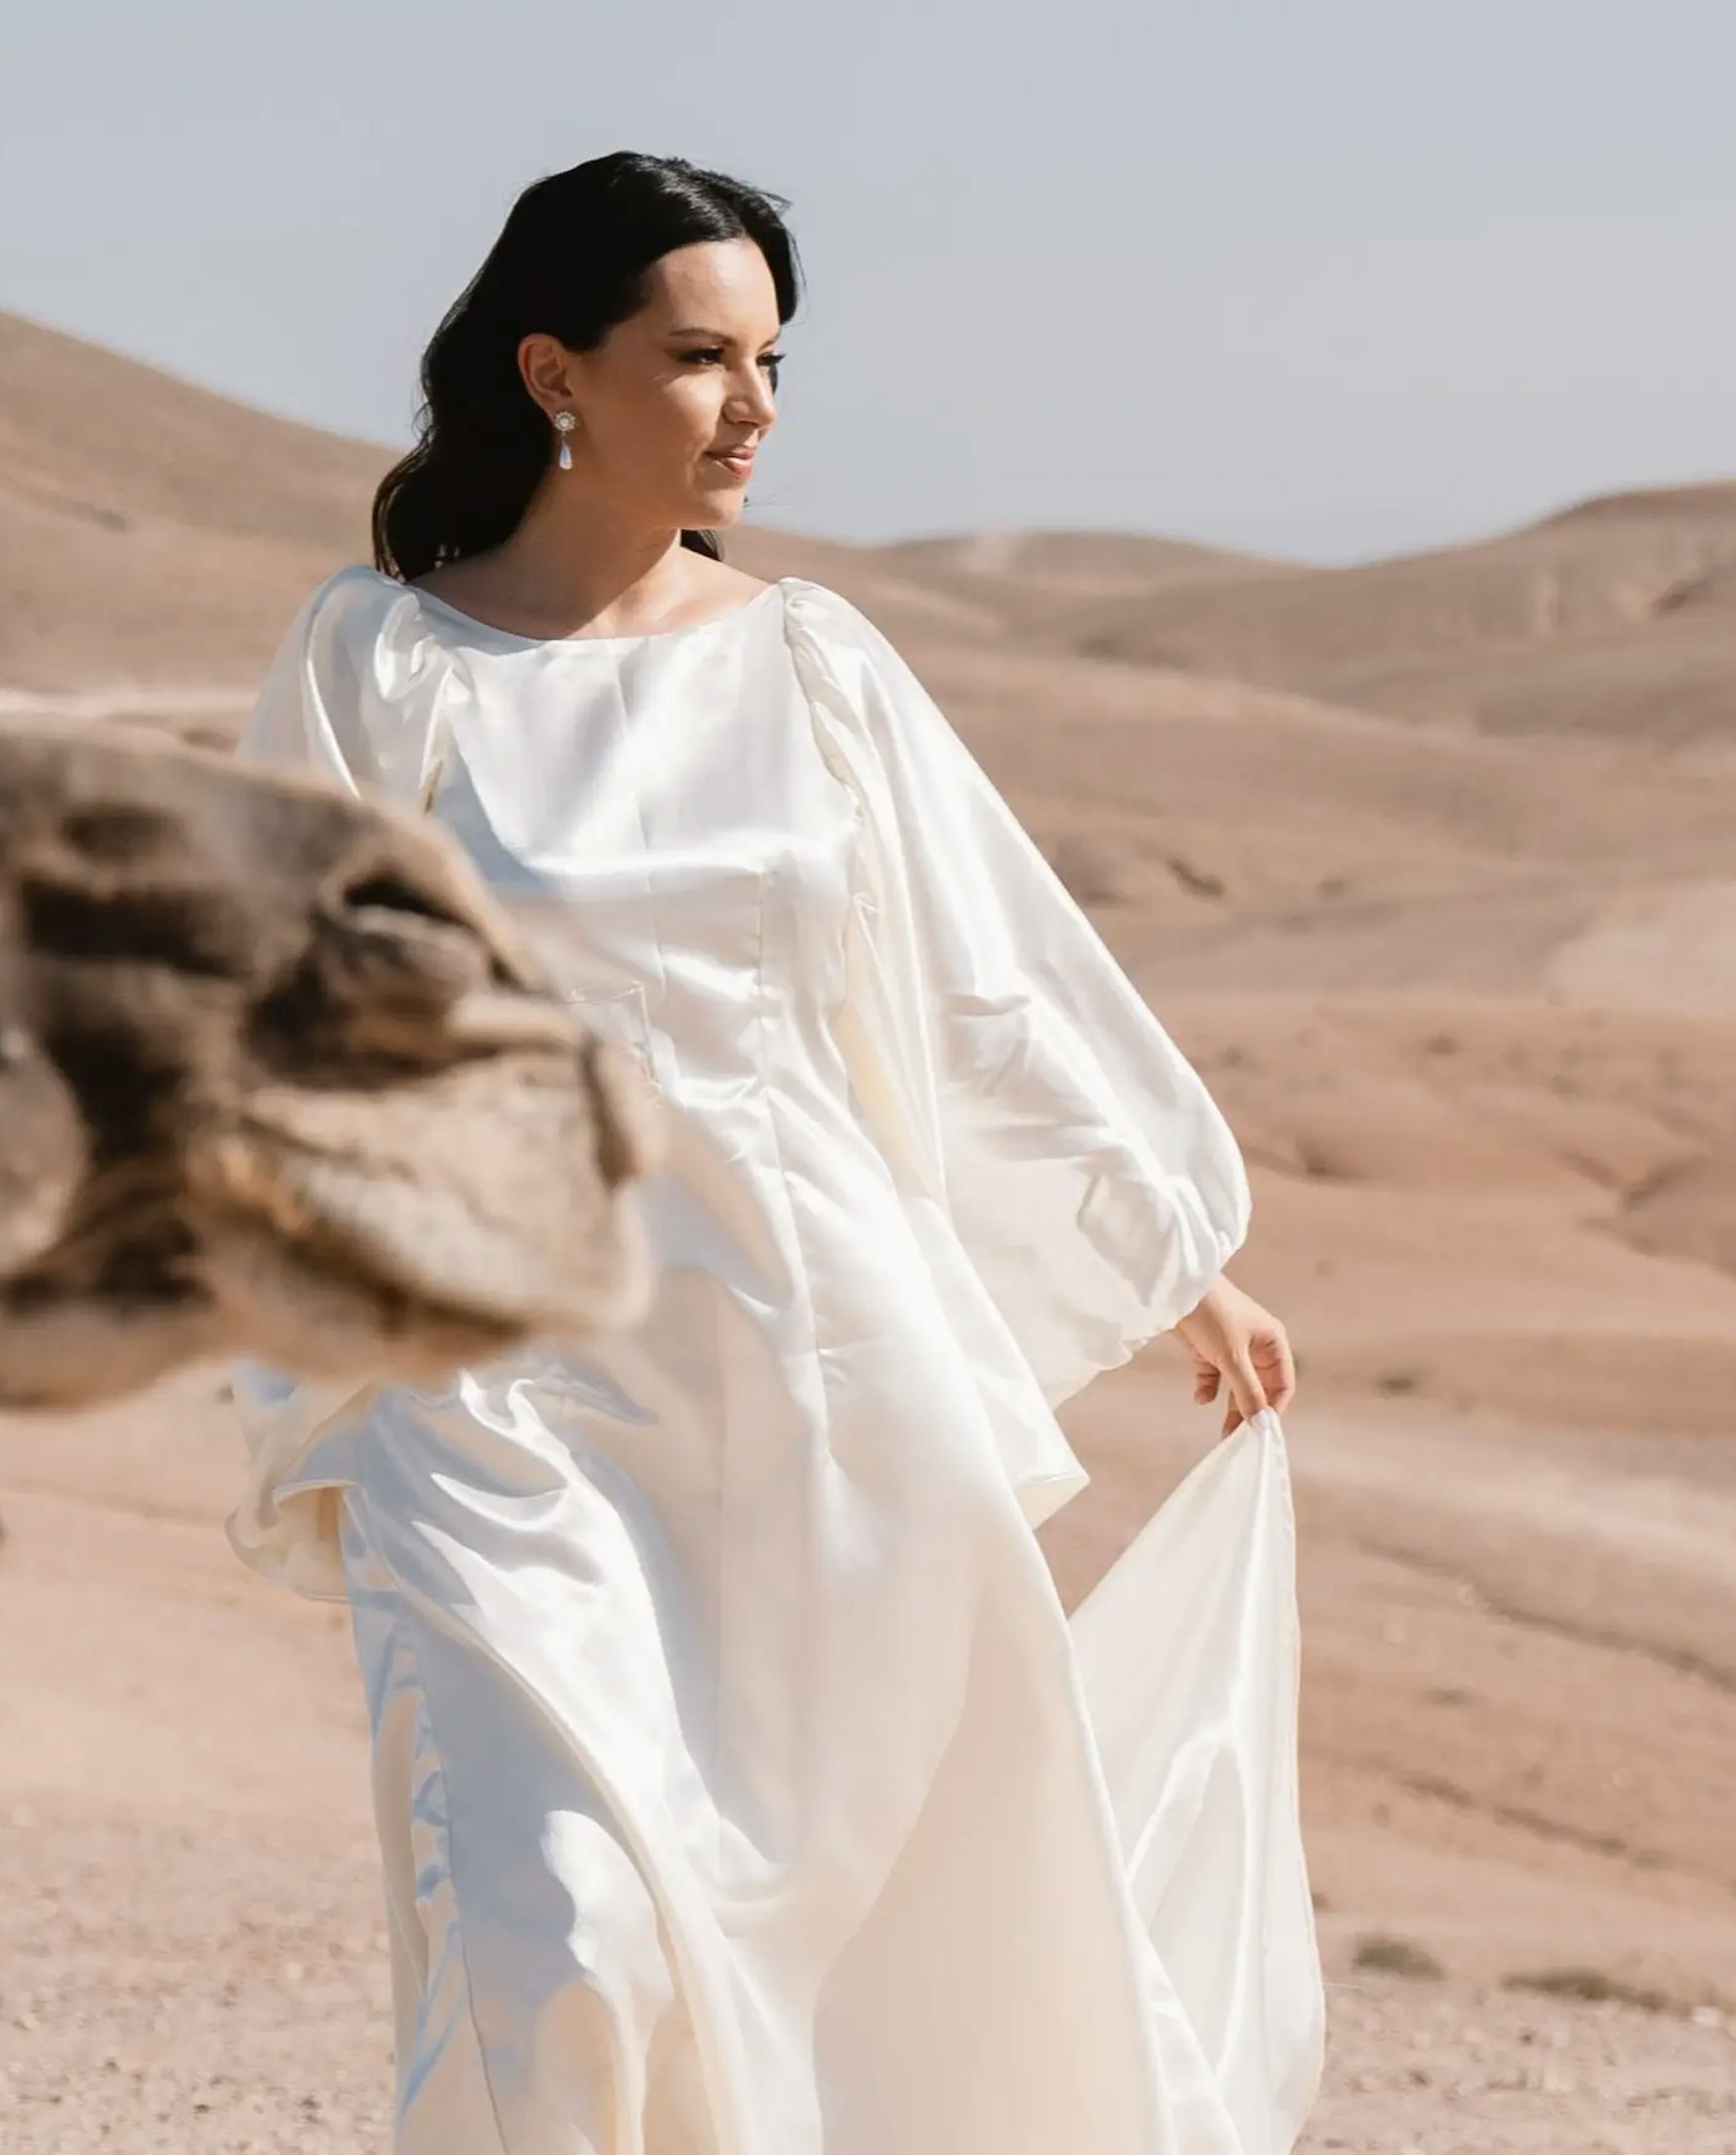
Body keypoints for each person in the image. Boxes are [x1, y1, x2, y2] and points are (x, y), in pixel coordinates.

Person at [231, 153, 1324, 2153]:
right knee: (551, 1922)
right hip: (501, 1378)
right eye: (701, 356)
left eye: (774, 361)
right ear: (554, 371)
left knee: (894, 1934)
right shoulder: (376, 666)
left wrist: (1181, 1248)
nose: (754, 406)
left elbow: (993, 985)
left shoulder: (815, 662)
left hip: (822, 1369)